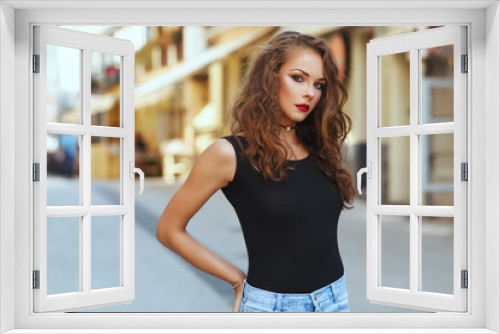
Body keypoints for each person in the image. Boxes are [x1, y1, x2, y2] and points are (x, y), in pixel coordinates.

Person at [156, 31, 355, 312]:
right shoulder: (229, 154)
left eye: (319, 84)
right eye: (298, 78)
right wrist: (234, 278)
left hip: (334, 301)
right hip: (274, 309)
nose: (310, 92)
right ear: (271, 77)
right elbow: (168, 230)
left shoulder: (319, 145)